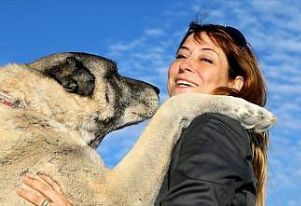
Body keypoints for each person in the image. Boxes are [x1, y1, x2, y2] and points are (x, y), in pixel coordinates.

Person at [16, 22, 269, 206]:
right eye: (181, 55)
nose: (185, 65)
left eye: (206, 60)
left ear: (237, 83)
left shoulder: (213, 127)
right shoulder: (191, 136)